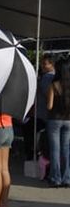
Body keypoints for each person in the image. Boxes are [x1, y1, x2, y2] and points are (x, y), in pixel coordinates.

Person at [22, 53, 55, 160]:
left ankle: (31, 156)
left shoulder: (46, 78)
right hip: (49, 115)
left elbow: (47, 95)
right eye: (42, 63)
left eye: (45, 64)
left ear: (52, 65)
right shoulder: (56, 77)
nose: (42, 66)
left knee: (29, 131)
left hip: (42, 114)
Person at [46, 57, 70, 188]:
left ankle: (56, 178)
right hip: (68, 120)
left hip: (55, 119)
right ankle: (67, 178)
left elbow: (49, 106)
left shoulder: (53, 85)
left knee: (55, 149)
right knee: (66, 149)